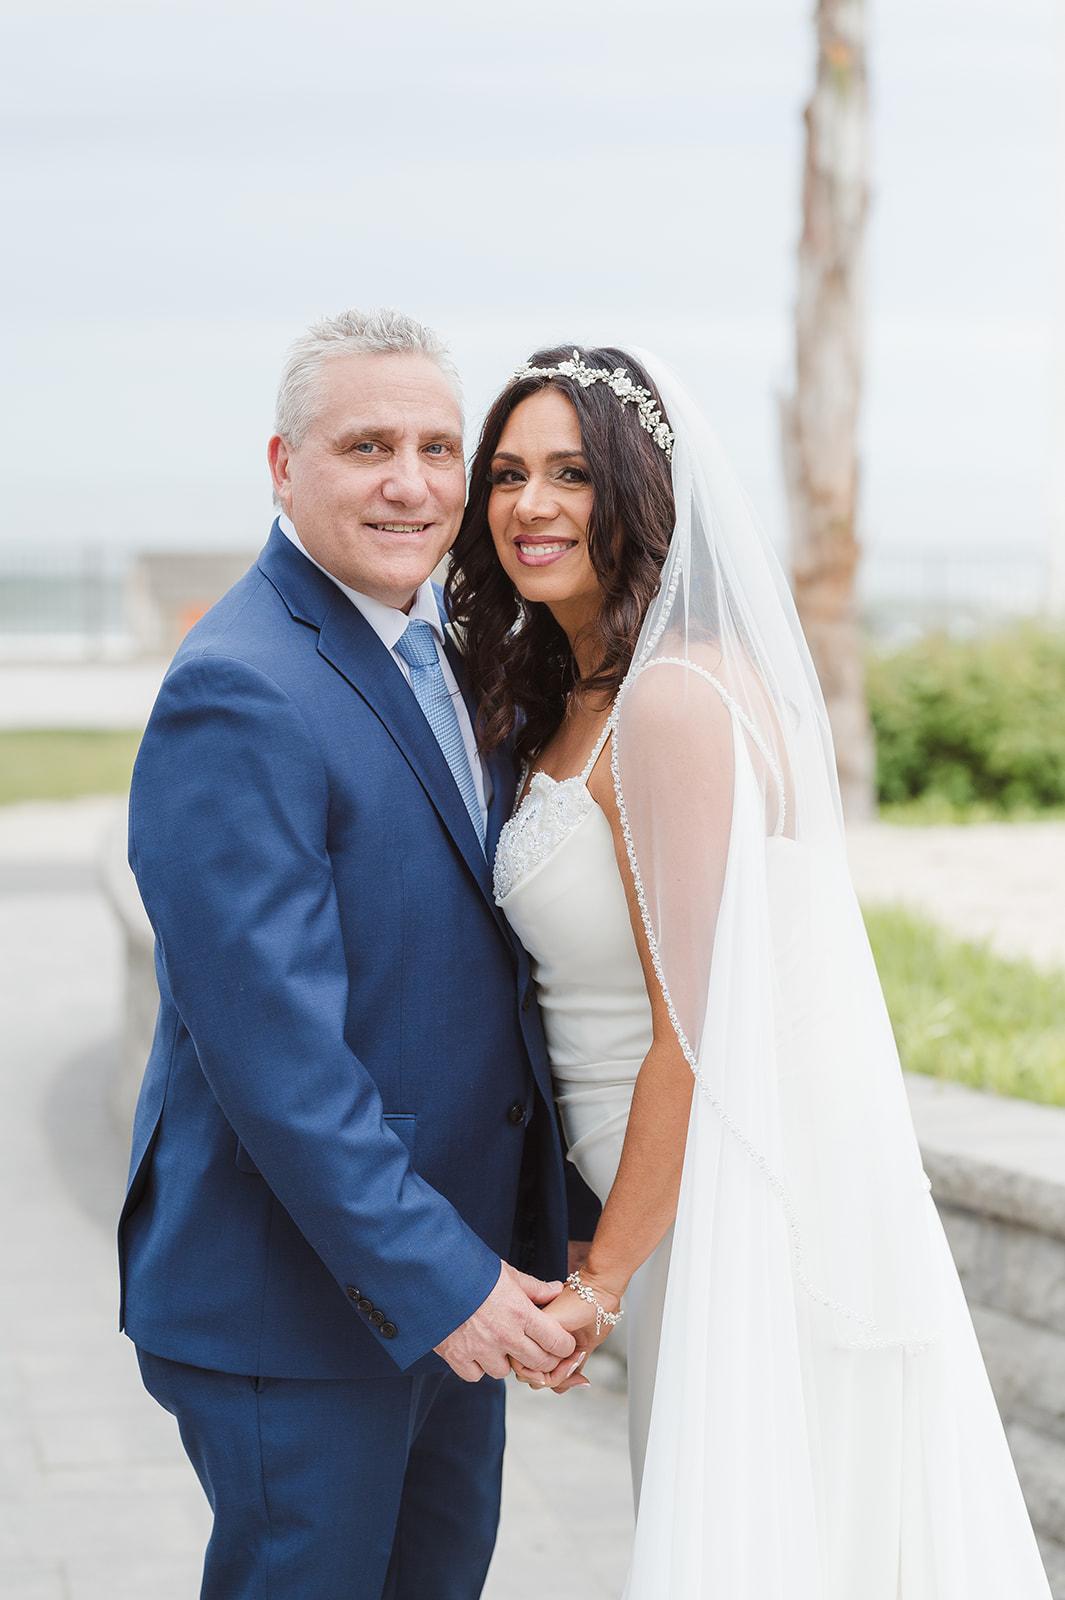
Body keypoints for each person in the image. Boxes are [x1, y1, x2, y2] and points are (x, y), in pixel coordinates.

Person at [446, 344, 1053, 1598]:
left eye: (570, 473)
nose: (529, 505)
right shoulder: (586, 693)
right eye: (506, 474)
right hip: (674, 1208)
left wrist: (601, 1283)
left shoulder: (671, 703)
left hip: (723, 1220)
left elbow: (700, 1028)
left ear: (637, 491)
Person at [117, 309, 596, 1600]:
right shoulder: (239, 687)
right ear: (285, 466)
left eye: (439, 449)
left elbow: (484, 974)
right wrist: (447, 1283)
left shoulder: (451, 652)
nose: (412, 483)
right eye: (367, 446)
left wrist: (552, 1238)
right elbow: (279, 1061)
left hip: (451, 1287)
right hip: (300, 1312)